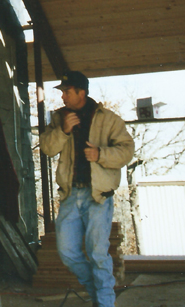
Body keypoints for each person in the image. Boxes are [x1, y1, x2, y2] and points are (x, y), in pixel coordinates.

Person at [39, 71, 134, 307]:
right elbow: (48, 148)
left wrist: (101, 154)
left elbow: (126, 151)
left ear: (81, 92)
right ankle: (98, 294)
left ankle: (104, 303)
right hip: (71, 196)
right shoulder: (60, 119)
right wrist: (63, 131)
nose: (63, 97)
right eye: (61, 92)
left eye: (67, 91)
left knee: (98, 254)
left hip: (98, 196)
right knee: (67, 252)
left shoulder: (109, 119)